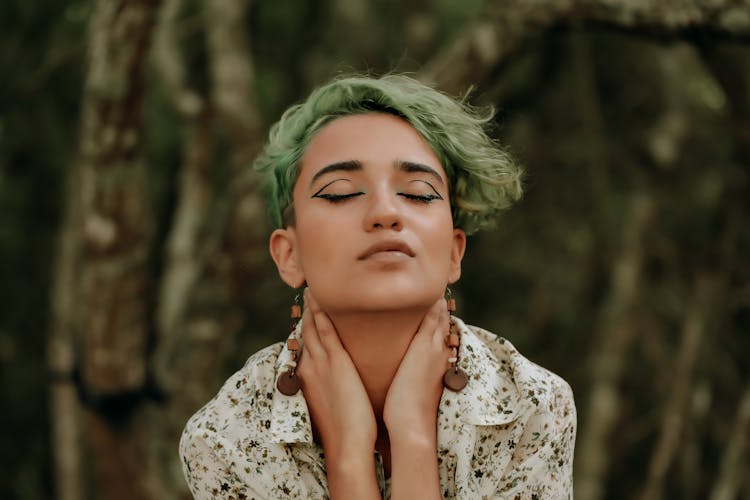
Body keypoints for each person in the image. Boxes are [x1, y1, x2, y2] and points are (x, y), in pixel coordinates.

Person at [179, 74, 576, 499]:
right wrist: (348, 451)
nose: (385, 212)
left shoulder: (531, 404)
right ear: (288, 256)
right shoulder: (225, 436)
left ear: (453, 254)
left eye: (419, 193)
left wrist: (412, 437)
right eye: (340, 193)